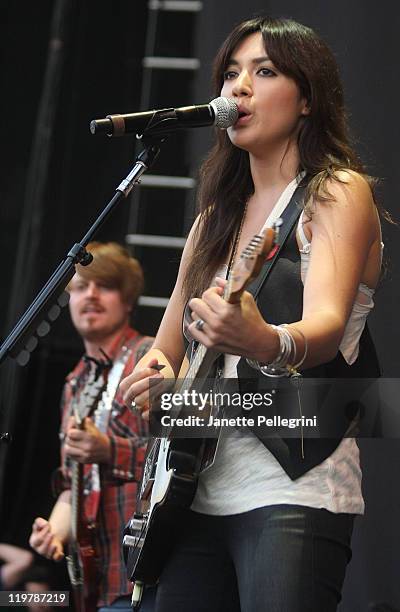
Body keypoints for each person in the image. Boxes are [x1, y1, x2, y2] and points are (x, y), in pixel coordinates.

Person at [119, 16, 383, 612]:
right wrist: (155, 377)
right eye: (231, 73)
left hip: (293, 487)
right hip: (190, 491)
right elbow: (167, 347)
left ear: (308, 97)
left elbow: (325, 328)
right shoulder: (214, 218)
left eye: (263, 72)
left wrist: (263, 339)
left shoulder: (336, 191)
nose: (239, 87)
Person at [29, 242, 154, 611]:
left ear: (128, 301)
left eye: (106, 286)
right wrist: (53, 532)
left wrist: (108, 449)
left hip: (146, 572)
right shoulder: (73, 382)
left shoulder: (149, 357)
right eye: (80, 287)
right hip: (99, 578)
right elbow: (73, 483)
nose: (91, 295)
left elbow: (182, 461)